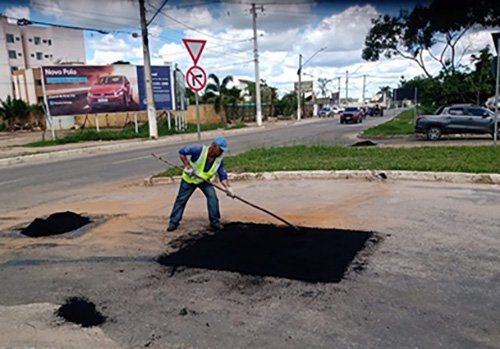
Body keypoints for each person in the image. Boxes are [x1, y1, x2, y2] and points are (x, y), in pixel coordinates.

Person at [167, 137, 234, 232]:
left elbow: (222, 175)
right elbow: (181, 152)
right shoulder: (198, 149)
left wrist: (228, 188)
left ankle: (215, 222)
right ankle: (173, 222)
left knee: (213, 198)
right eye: (221, 150)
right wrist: (187, 166)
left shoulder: (219, 160)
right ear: (214, 146)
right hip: (189, 180)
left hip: (204, 181)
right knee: (181, 200)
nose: (221, 153)